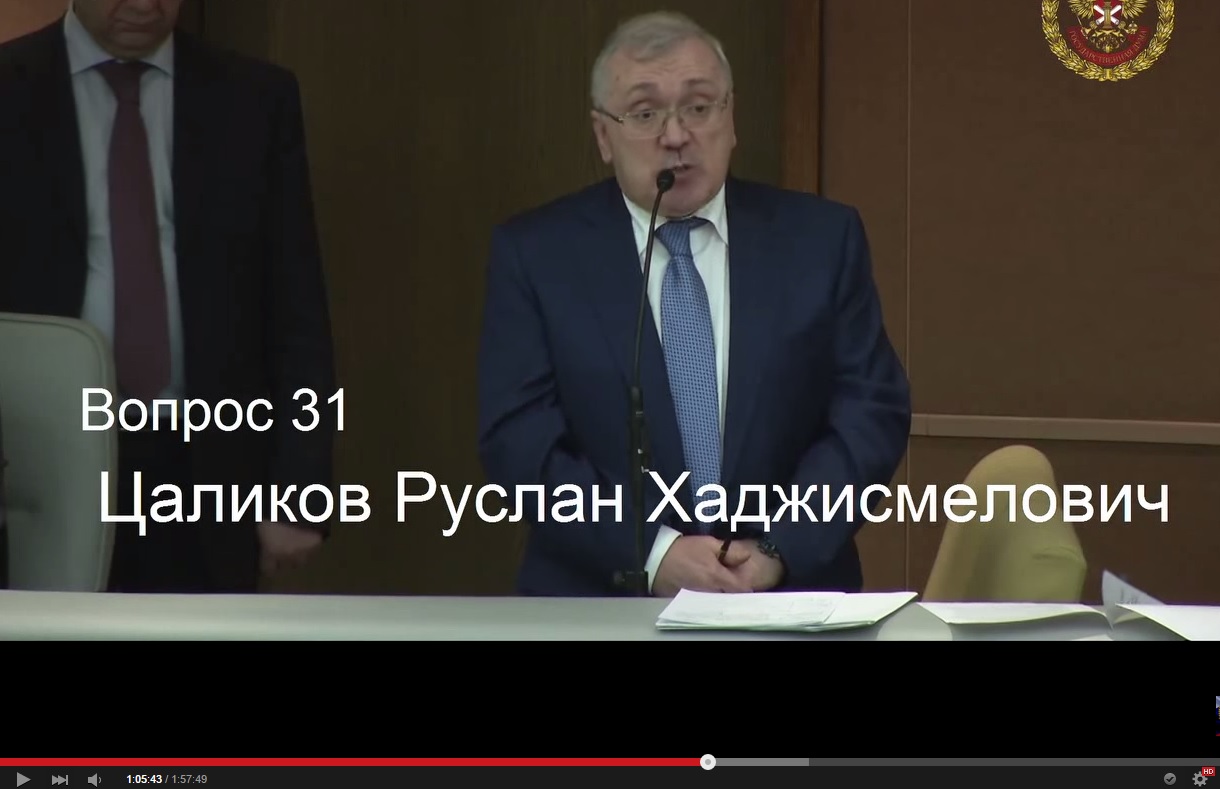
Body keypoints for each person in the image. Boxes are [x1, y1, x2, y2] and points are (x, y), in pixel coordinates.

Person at [477, 11, 911, 597]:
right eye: (645, 113)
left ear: (731, 120)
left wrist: (779, 547)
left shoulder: (820, 242)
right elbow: (519, 439)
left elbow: (870, 411)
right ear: (603, 136)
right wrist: (653, 553)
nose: (676, 135)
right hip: (599, 599)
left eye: (699, 107)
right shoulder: (538, 256)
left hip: (788, 598)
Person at [0, 0, 336, 592]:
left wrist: (300, 489)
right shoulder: (10, 87)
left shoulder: (254, 98)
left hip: (207, 465)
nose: (143, 3)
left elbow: (296, 305)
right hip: (34, 464)